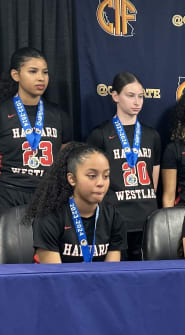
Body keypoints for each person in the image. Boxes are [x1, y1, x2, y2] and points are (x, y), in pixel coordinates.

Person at [87, 72, 161, 260]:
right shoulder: (100, 134)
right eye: (130, 96)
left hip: (147, 218)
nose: (137, 102)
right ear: (115, 96)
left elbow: (154, 179)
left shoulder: (152, 135)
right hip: (115, 217)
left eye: (140, 96)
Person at [26, 142, 126, 263]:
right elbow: (54, 275)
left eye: (106, 176)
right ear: (72, 179)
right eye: (92, 176)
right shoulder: (49, 217)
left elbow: (111, 273)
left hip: (99, 282)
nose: (101, 183)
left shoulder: (113, 216)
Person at [0, 47, 72, 211]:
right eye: (33, 71)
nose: (41, 78)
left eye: (45, 72)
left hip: (47, 195)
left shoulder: (59, 115)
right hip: (8, 193)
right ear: (15, 75)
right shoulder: (3, 113)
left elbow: (65, 159)